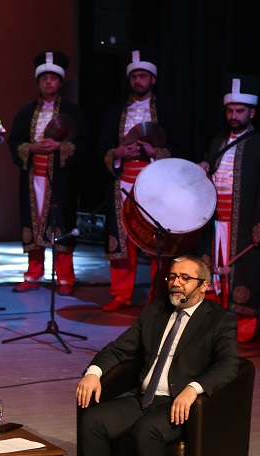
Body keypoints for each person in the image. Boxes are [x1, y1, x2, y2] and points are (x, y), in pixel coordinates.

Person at [74, 255, 239, 456]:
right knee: (94, 420)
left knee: (147, 429)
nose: (176, 283)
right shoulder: (155, 311)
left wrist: (193, 389)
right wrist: (94, 373)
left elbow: (229, 365)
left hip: (178, 404)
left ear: (203, 285)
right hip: (143, 397)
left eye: (185, 278)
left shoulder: (219, 320)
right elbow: (119, 348)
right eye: (172, 277)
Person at [199, 76, 260, 343]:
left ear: (252, 112)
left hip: (243, 223)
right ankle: (215, 323)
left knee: (245, 272)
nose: (234, 116)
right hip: (215, 220)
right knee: (214, 271)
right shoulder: (217, 142)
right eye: (230, 110)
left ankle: (245, 323)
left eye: (240, 111)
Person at [8, 51, 88, 296]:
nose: (48, 82)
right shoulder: (26, 112)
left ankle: (65, 278)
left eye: (53, 78)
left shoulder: (73, 112)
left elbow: (83, 145)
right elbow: (14, 141)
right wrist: (32, 148)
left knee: (62, 222)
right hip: (33, 177)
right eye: (44, 78)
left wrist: (59, 147)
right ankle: (33, 274)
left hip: (61, 179)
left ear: (60, 82)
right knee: (33, 224)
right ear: (38, 82)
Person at [97, 50, 171, 311]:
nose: (138, 81)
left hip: (156, 184)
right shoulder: (117, 111)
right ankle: (121, 293)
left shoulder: (165, 111)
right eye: (134, 76)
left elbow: (182, 147)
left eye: (143, 76)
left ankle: (157, 295)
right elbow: (103, 144)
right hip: (124, 182)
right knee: (122, 238)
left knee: (156, 239)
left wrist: (155, 152)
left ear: (153, 79)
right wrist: (117, 153)